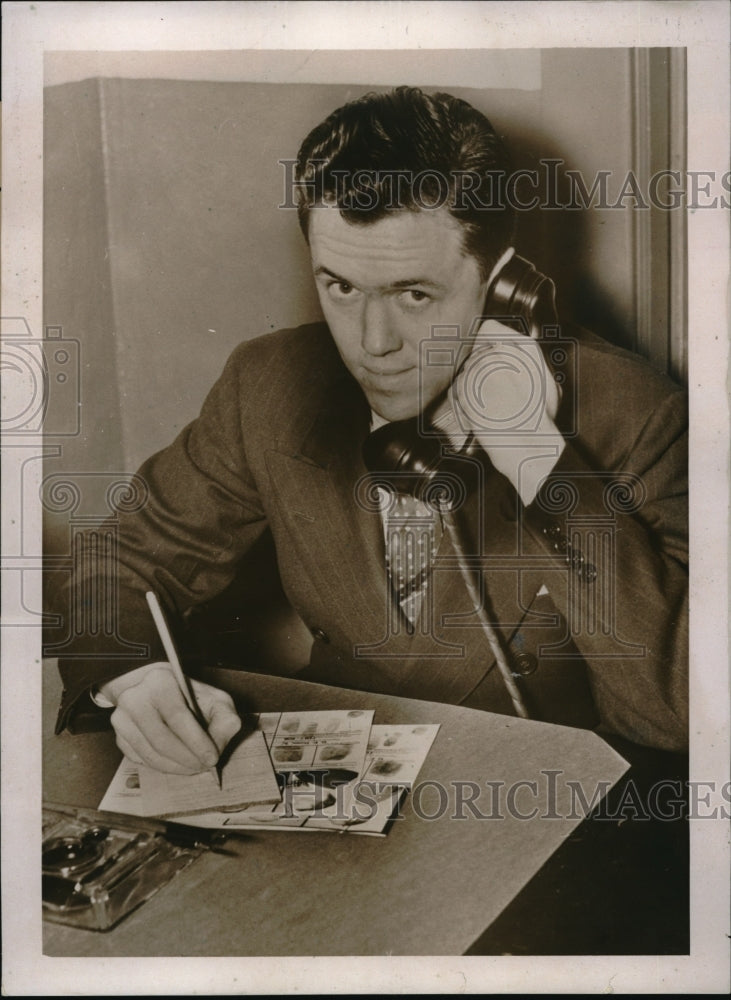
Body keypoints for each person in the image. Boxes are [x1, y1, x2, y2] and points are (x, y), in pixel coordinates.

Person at [49, 86, 688, 775]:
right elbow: (122, 557)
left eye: (414, 296)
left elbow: (675, 711)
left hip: (545, 813)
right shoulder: (268, 386)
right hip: (342, 801)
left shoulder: (633, 416)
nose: (371, 343)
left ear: (503, 285)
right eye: (340, 288)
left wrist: (538, 458)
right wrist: (136, 678)